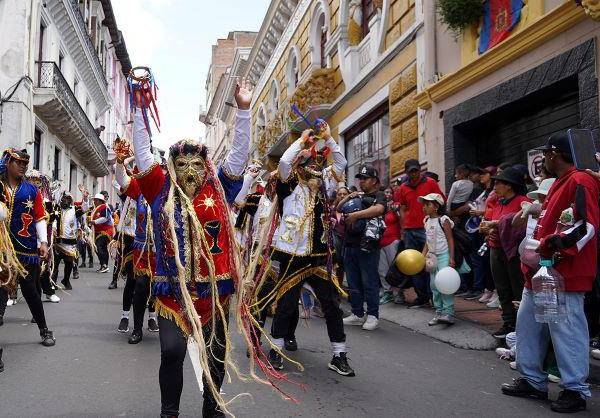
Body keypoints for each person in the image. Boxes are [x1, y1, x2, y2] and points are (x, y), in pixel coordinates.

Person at [130, 75, 253, 417]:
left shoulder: (220, 187)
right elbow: (142, 153)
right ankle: (169, 412)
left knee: (215, 354)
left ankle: (211, 409)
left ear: (206, 166)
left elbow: (239, 156)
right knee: (172, 352)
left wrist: (243, 110)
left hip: (215, 291)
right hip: (173, 292)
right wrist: (139, 109)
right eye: (182, 164)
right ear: (172, 166)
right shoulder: (159, 188)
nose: (190, 170)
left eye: (196, 164)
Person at [502, 132, 599, 413]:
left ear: (554, 155)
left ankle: (575, 390)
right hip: (542, 273)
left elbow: (586, 227)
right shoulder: (561, 182)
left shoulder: (580, 181)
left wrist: (549, 244)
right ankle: (533, 380)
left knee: (566, 331)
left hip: (565, 274)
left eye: (546, 154)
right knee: (529, 326)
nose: (543, 158)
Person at [263, 121, 354, 377]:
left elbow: (341, 164)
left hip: (320, 257)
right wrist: (302, 141)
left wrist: (329, 138)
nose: (313, 165)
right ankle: (276, 350)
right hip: (293, 256)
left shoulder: (324, 182)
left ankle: (339, 354)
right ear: (299, 166)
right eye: (307, 161)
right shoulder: (288, 183)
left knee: (332, 306)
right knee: (286, 305)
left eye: (315, 162)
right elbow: (283, 162)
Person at [0, 148, 55, 346]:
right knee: (1, 288)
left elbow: (39, 216)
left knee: (30, 290)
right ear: (8, 163)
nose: (23, 166)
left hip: (26, 248)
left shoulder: (32, 190)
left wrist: (43, 242)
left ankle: (44, 329)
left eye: (25, 163)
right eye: (18, 162)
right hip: (2, 249)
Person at [114, 156, 159, 344]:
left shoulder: (165, 190)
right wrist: (120, 162)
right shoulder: (137, 189)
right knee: (137, 284)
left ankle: (154, 317)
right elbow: (121, 180)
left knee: (156, 287)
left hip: (160, 250)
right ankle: (135, 326)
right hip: (138, 246)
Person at [480, 167, 529, 339]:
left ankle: (521, 324)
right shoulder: (498, 202)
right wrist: (488, 231)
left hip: (514, 252)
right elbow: (487, 225)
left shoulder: (524, 202)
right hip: (495, 248)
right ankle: (508, 322)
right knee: (502, 288)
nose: (494, 187)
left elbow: (524, 225)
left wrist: (498, 226)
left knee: (518, 287)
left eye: (498, 183)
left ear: (509, 185)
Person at [338, 166, 386, 330]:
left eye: (365, 178)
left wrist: (355, 215)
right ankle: (357, 313)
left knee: (369, 281)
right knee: (353, 282)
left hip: (368, 246)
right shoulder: (357, 196)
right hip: (350, 245)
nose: (362, 181)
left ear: (375, 181)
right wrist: (349, 196)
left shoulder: (379, 196)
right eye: (360, 178)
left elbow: (379, 209)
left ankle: (373, 315)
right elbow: (338, 208)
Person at [396, 159, 445, 307]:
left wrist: (438, 222)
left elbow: (441, 201)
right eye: (411, 171)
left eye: (416, 170)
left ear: (420, 170)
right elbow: (402, 208)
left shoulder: (430, 183)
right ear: (406, 172)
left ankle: (434, 296)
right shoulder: (403, 187)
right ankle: (422, 296)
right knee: (414, 264)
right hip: (410, 230)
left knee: (431, 262)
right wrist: (403, 228)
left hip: (427, 228)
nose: (414, 174)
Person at [420, 193, 456, 325]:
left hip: (443, 255)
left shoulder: (444, 220)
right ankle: (439, 311)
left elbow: (450, 239)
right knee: (434, 285)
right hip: (432, 257)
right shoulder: (426, 221)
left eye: (427, 204)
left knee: (445, 284)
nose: (424, 207)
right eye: (423, 204)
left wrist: (451, 257)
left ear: (436, 206)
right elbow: (427, 241)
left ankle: (448, 312)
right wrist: (422, 256)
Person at [50, 191, 82, 291]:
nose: (65, 201)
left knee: (69, 263)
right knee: (55, 263)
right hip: (57, 242)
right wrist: (53, 228)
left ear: (71, 201)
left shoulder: (75, 209)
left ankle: (66, 280)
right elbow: (53, 219)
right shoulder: (56, 209)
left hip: (70, 242)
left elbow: (85, 209)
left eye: (68, 199)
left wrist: (85, 198)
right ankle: (53, 282)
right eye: (64, 199)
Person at [378, 186, 402, 305]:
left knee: (395, 269)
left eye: (389, 192)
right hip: (380, 242)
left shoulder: (397, 205)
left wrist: (396, 211)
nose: (387, 194)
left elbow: (402, 219)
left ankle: (398, 293)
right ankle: (388, 292)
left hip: (393, 240)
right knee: (382, 270)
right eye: (385, 192)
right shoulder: (379, 206)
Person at [89, 192, 114, 273]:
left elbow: (105, 218)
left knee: (98, 246)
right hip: (99, 231)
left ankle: (104, 265)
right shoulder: (96, 208)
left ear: (100, 201)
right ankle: (104, 265)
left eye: (96, 200)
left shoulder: (104, 208)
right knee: (102, 247)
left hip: (105, 231)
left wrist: (94, 222)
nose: (94, 201)